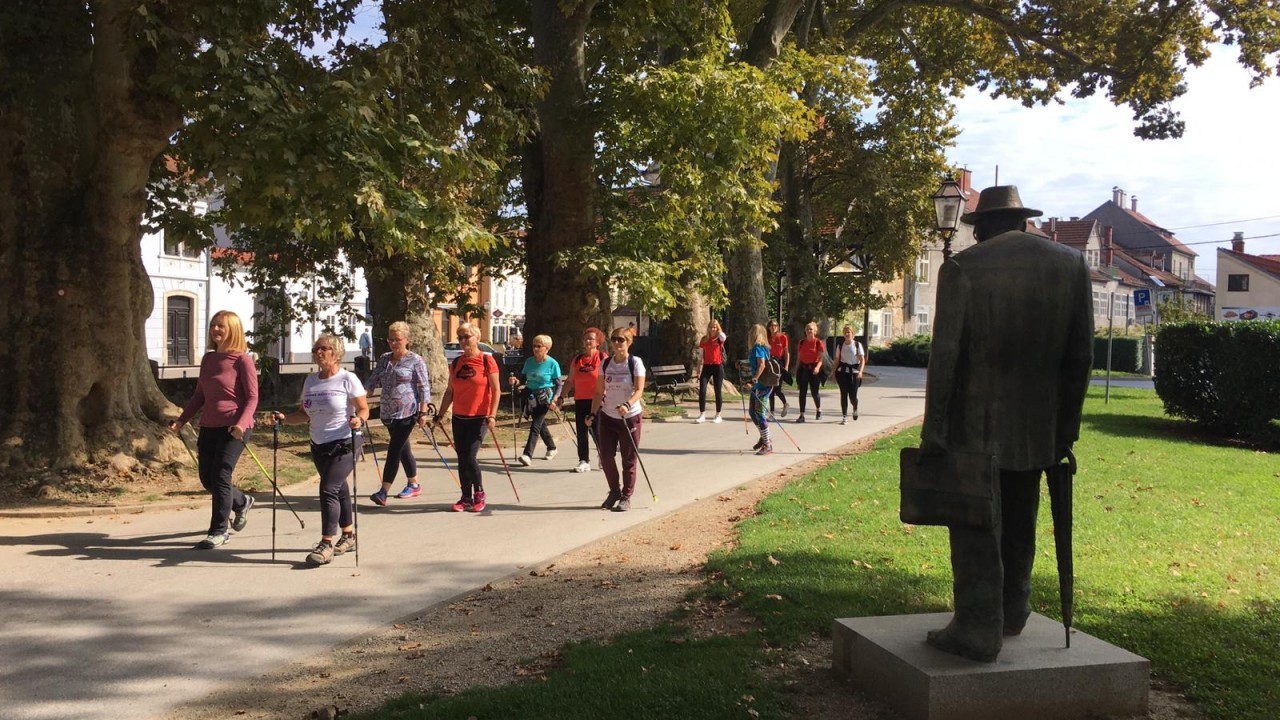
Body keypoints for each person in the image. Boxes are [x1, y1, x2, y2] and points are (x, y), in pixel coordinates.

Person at [917, 185, 1093, 662]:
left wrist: (934, 430)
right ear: (1021, 222)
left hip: (975, 425)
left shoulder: (963, 269)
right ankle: (1013, 609)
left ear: (986, 227)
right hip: (1039, 427)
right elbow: (1080, 356)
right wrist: (1066, 428)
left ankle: (977, 627)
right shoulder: (1070, 265)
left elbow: (946, 357)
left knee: (975, 522)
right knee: (1021, 516)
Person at [269, 333, 370, 566]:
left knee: (328, 488)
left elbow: (363, 409)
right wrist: (284, 419)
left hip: (345, 441)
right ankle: (348, 535)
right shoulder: (311, 382)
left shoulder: (348, 378)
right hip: (318, 444)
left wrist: (359, 421)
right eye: (316, 349)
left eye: (323, 348)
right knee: (339, 489)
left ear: (335, 353)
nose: (318, 353)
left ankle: (326, 543)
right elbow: (304, 414)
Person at [169, 310, 259, 550]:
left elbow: (252, 398)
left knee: (221, 475)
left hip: (235, 426)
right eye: (213, 326)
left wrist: (241, 424)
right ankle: (241, 501)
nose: (216, 330)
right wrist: (182, 420)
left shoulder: (243, 360)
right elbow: (200, 395)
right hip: (209, 424)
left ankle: (219, 531)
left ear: (233, 330)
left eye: (221, 326)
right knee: (207, 479)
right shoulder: (209, 359)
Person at [434, 322, 502, 512]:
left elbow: (496, 390)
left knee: (469, 456)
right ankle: (465, 497)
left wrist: (493, 415)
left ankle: (479, 493)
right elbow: (450, 391)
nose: (463, 341)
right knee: (462, 457)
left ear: (477, 338)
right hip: (459, 417)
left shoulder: (487, 361)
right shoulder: (456, 363)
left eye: (467, 337)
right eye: (460, 337)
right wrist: (440, 414)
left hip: (480, 417)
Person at [365, 321, 431, 504]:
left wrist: (423, 412)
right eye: (390, 339)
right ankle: (414, 483)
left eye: (398, 339)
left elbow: (424, 387)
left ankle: (383, 491)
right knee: (403, 448)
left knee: (394, 449)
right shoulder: (385, 359)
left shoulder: (415, 360)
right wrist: (361, 400)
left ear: (407, 340)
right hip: (387, 412)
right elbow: (372, 381)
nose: (394, 343)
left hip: (407, 411)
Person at [585, 327, 646, 512]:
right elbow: (598, 392)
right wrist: (593, 413)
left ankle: (626, 497)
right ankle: (614, 492)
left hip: (629, 417)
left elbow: (639, 390)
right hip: (608, 416)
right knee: (606, 457)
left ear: (629, 342)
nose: (617, 343)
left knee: (628, 459)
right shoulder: (605, 364)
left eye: (621, 340)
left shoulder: (635, 363)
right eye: (614, 339)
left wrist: (627, 404)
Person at [510, 334, 564, 465]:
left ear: (547, 348)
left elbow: (559, 384)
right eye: (534, 346)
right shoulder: (529, 362)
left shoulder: (552, 363)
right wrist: (515, 381)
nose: (535, 349)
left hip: (545, 397)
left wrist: (555, 399)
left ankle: (527, 454)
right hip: (530, 396)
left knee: (535, 425)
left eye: (539, 346)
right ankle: (552, 447)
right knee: (539, 423)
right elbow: (522, 379)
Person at [568, 328, 607, 473]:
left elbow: (608, 378)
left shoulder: (603, 358)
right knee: (581, 431)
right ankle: (583, 460)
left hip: (597, 400)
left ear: (598, 342)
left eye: (591, 338)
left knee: (597, 430)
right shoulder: (578, 359)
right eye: (586, 339)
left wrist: (605, 395)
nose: (588, 341)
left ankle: (603, 456)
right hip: (580, 399)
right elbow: (570, 381)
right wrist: (561, 396)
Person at [741, 323, 774, 455]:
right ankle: (763, 437)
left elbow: (761, 365)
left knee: (759, 414)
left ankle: (768, 444)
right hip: (759, 385)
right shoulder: (762, 348)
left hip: (762, 386)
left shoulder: (758, 347)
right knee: (752, 412)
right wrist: (742, 364)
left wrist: (753, 379)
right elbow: (755, 363)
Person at [694, 319, 726, 423]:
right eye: (711, 327)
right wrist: (698, 367)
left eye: (715, 327)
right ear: (708, 328)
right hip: (707, 366)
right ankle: (702, 414)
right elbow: (700, 355)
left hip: (717, 366)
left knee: (718, 390)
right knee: (702, 390)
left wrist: (719, 330)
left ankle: (718, 414)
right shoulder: (704, 339)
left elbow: (724, 337)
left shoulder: (719, 339)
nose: (713, 329)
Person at [833, 325, 867, 425]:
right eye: (845, 332)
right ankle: (844, 417)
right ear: (843, 334)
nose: (847, 334)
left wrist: (860, 371)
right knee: (843, 394)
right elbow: (836, 360)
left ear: (853, 334)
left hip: (854, 373)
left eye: (849, 332)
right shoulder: (840, 346)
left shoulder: (857, 345)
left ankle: (855, 407)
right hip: (842, 372)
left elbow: (862, 360)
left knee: (852, 396)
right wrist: (833, 372)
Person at [794, 321, 824, 422]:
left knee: (814, 392)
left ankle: (818, 409)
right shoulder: (802, 342)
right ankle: (802, 415)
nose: (809, 331)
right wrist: (796, 369)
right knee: (802, 393)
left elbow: (821, 359)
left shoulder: (818, 343)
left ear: (815, 331)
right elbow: (799, 358)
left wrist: (817, 368)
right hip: (803, 369)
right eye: (807, 329)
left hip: (814, 369)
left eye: (811, 329)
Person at [767, 319, 790, 418]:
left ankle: (785, 403)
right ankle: (772, 412)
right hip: (769, 363)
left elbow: (786, 353)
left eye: (775, 325)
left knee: (777, 388)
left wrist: (786, 366)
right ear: (769, 327)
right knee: (770, 388)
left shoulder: (782, 337)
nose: (774, 327)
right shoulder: (767, 338)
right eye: (772, 325)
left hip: (779, 363)